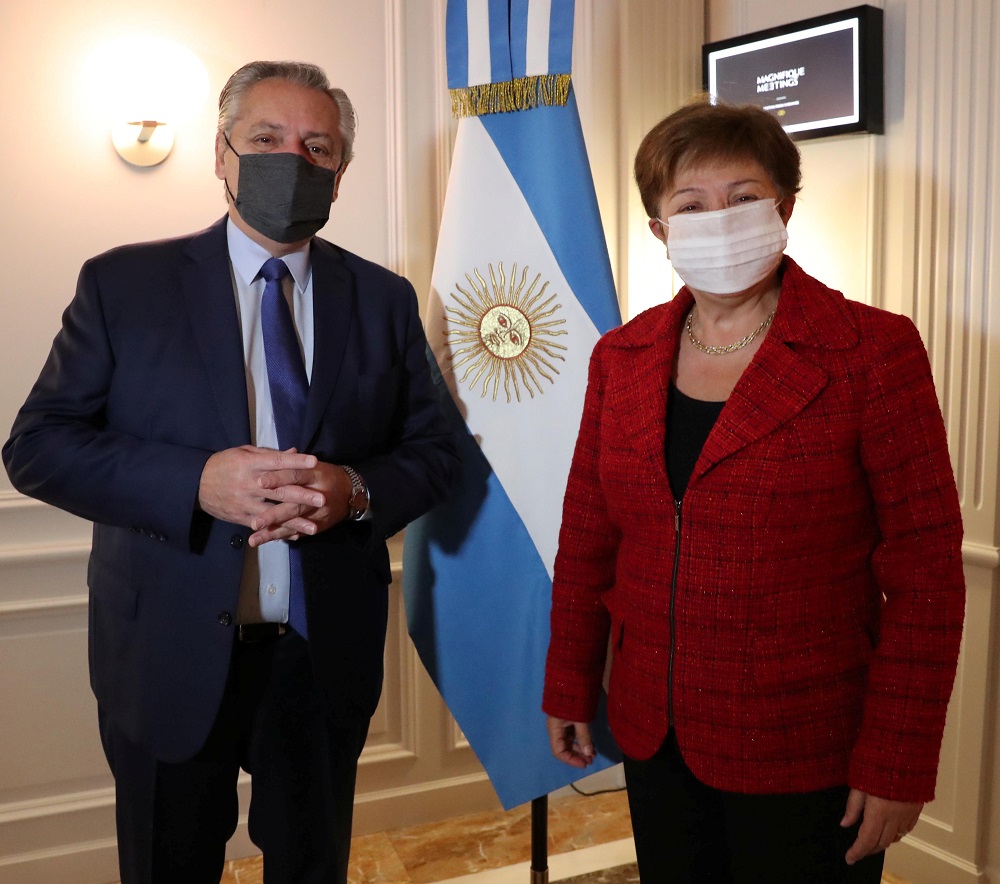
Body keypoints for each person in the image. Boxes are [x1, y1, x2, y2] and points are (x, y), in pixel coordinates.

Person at [3, 60, 458, 883]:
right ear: (221, 154)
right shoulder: (123, 285)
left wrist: (353, 491)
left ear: (341, 171)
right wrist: (194, 481)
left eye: (316, 146)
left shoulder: (384, 299)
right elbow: (38, 445)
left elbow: (434, 455)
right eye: (266, 139)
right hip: (166, 653)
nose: (293, 159)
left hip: (321, 658)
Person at [542, 99, 965, 883]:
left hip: (805, 745)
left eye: (743, 198)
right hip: (655, 731)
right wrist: (569, 678)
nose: (721, 220)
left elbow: (927, 577)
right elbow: (589, 535)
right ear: (660, 230)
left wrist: (899, 759)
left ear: (785, 208)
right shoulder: (621, 357)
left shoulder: (872, 352)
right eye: (691, 206)